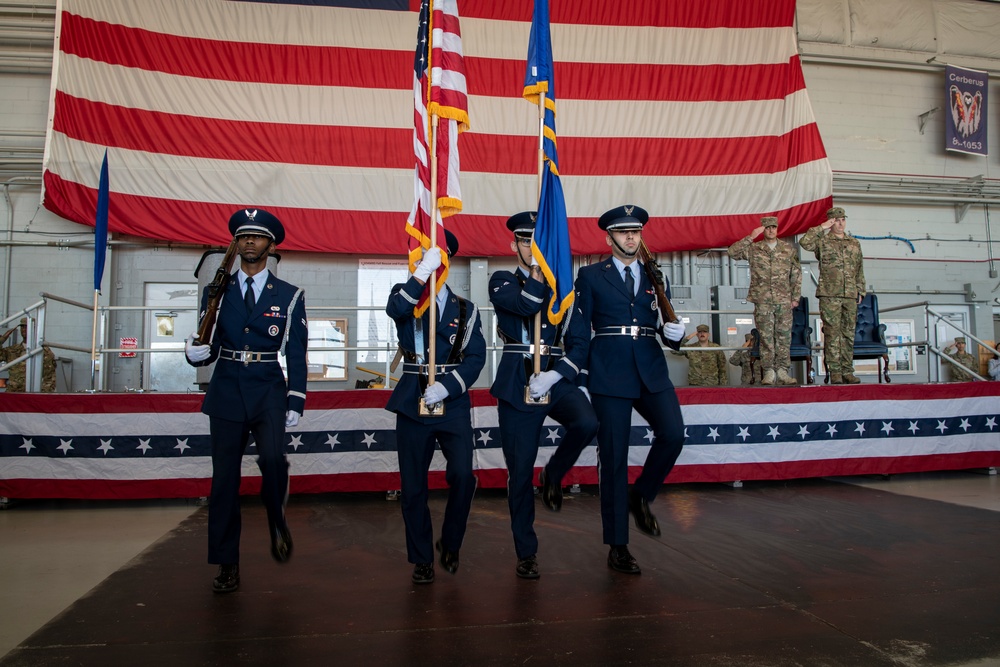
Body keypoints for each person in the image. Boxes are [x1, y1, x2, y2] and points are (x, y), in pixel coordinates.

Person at [184, 208, 308, 594]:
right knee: (224, 481)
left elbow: (297, 352)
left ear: (271, 245)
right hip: (225, 391)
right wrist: (194, 353)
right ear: (236, 244)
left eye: (257, 237)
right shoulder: (216, 291)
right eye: (243, 236)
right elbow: (210, 342)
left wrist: (296, 400)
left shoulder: (289, 295)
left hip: (268, 389)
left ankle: (277, 521)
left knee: (272, 461)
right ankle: (226, 562)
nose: (249, 242)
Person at [570, 204, 686, 575]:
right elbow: (578, 329)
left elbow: (664, 319)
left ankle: (642, 496)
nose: (630, 237)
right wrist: (577, 372)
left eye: (635, 231)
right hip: (609, 371)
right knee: (615, 458)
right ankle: (618, 545)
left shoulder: (655, 275)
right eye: (622, 232)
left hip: (650, 368)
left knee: (673, 434)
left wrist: (676, 336)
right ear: (609, 237)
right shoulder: (590, 276)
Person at [489, 211, 598, 579]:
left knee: (586, 423)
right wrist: (537, 275)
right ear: (514, 245)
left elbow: (580, 342)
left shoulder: (565, 288)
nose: (531, 247)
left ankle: (553, 474)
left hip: (554, 375)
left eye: (538, 241)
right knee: (519, 470)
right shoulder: (501, 280)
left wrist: (556, 375)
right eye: (525, 241)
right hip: (517, 379)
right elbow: (525, 306)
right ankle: (526, 551)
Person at [385, 230, 486, 585]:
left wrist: (448, 386)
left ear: (447, 261)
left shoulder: (465, 308)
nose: (430, 263)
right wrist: (418, 276)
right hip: (413, 399)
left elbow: (476, 357)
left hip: (452, 401)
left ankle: (451, 542)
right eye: (423, 256)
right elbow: (395, 309)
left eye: (436, 258)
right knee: (413, 487)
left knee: (462, 476)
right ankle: (422, 557)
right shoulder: (404, 297)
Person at [727, 216, 801, 386]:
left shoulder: (788, 249)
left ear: (777, 228)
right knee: (766, 338)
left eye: (773, 227)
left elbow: (796, 275)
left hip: (784, 300)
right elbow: (732, 252)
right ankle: (768, 371)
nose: (771, 230)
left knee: (783, 338)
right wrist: (751, 236)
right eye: (767, 227)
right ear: (763, 229)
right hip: (763, 300)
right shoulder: (754, 248)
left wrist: (795, 298)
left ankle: (782, 371)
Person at [799, 207, 866, 384]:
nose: (840, 223)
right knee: (832, 333)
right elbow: (805, 242)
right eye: (836, 220)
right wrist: (821, 227)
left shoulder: (854, 243)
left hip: (850, 294)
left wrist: (861, 290)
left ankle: (847, 370)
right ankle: (835, 372)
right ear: (830, 222)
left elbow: (859, 269)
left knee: (848, 333)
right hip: (830, 294)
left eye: (843, 219)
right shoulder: (822, 240)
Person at [1, 318, 57, 393]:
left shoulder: (43, 351)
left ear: (34, 329)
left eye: (27, 327)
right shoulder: (12, 350)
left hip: (32, 394)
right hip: (13, 393)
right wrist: (2, 339)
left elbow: (50, 378)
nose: (24, 329)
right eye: (22, 327)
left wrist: (42, 396)